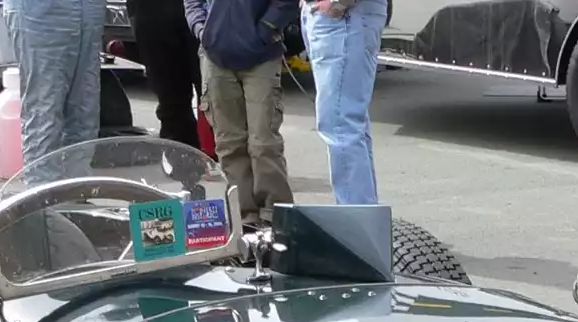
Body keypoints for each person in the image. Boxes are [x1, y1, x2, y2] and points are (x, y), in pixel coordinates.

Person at [186, 0, 292, 226]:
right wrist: (202, 29)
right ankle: (244, 216)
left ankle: (275, 215)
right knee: (229, 143)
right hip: (215, 56)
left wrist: (266, 28)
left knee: (263, 143)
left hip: (262, 55)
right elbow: (192, 2)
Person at [301, 0, 384, 205]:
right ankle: (364, 215)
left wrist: (338, 3)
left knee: (340, 124)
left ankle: (356, 218)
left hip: (343, 16)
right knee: (346, 121)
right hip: (332, 15)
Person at [5, 0, 107, 166]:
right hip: (41, 13)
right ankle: (43, 182)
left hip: (88, 9)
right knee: (44, 115)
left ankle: (77, 181)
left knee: (84, 115)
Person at [126, 0, 202, 149]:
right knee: (170, 100)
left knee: (215, 96)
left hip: (202, 8)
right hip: (151, 11)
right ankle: (181, 157)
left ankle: (224, 158)